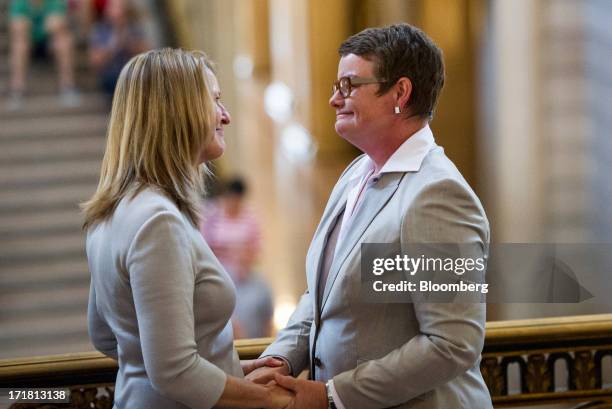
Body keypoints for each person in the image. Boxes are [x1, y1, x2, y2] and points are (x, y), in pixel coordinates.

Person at [247, 23, 492, 408]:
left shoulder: (436, 195)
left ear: (400, 92)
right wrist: (281, 357)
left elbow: (452, 343)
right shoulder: (355, 174)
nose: (333, 99)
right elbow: (322, 296)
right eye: (335, 87)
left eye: (348, 86)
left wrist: (332, 394)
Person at [82, 48, 292, 409]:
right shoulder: (157, 222)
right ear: (179, 111)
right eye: (215, 100)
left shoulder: (117, 209)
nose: (225, 116)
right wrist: (273, 401)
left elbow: (108, 337)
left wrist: (224, 368)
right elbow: (174, 371)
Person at [200, 177, 274, 339]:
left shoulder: (250, 216)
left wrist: (243, 261)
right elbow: (204, 246)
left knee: (261, 295)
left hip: (244, 270)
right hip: (219, 268)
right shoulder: (212, 214)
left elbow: (255, 247)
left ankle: (259, 338)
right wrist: (228, 252)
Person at [7, 0, 79, 110]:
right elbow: (16, 26)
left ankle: (67, 87)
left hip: (49, 44)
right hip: (29, 44)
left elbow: (60, 22)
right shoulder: (19, 2)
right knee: (19, 43)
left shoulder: (54, 2)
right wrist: (46, 25)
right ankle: (17, 90)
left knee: (64, 41)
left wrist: (30, 25)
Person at [88, 0, 149, 98]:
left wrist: (129, 43)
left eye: (120, 8)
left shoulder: (134, 27)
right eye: (114, 8)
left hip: (134, 72)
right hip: (112, 75)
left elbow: (147, 53)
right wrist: (114, 45)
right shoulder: (99, 30)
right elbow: (95, 61)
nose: (118, 12)